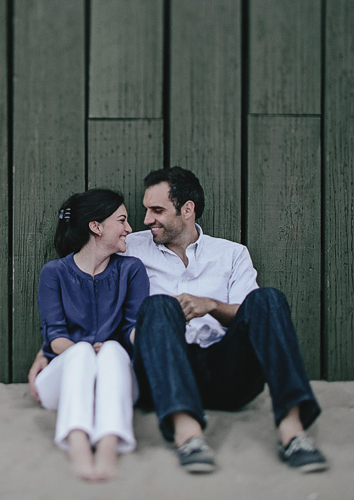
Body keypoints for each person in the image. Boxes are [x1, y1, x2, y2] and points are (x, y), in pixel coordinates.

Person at [28, 167, 327, 474]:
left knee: (269, 299)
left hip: (226, 369)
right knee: (159, 306)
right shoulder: (128, 245)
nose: (144, 221)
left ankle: (293, 433)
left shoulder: (232, 255)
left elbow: (249, 313)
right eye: (144, 210)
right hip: (163, 372)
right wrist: (49, 349)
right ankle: (189, 437)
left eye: (156, 210)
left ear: (187, 210)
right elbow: (86, 275)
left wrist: (210, 305)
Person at [33, 188, 149, 481]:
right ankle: (78, 443)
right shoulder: (54, 273)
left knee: (111, 349)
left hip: (115, 379)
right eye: (122, 220)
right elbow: (55, 336)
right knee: (82, 351)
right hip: (63, 379)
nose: (129, 229)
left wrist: (152, 340)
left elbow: (132, 328)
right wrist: (82, 349)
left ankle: (109, 445)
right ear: (96, 227)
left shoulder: (131, 270)